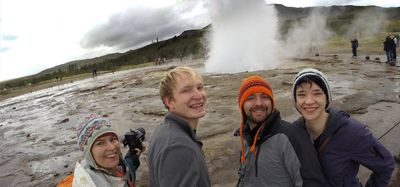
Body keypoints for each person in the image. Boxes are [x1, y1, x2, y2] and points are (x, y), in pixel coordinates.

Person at [292, 68, 395, 187]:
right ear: (295, 100)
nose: (309, 101)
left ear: (327, 98)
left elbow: (385, 165)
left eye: (317, 93)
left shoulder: (352, 132)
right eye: (301, 94)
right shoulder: (294, 133)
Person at [235, 75, 329, 187]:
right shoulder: (246, 138)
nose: (259, 103)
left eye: (264, 97)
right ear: (241, 104)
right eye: (251, 98)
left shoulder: (292, 137)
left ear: (272, 102)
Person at [148, 66, 211, 187]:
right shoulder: (178, 147)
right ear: (169, 102)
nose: (198, 95)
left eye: (199, 87)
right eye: (186, 90)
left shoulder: (165, 131)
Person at [72, 114, 143, 187]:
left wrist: (133, 155)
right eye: (100, 143)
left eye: (113, 139)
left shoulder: (115, 167)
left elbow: (128, 167)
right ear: (88, 153)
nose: (112, 147)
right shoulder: (89, 183)